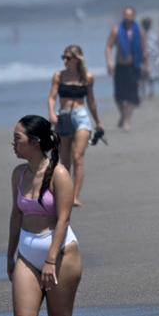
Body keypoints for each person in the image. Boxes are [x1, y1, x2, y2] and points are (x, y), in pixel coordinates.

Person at [0, 115, 82, 316]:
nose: (13, 143)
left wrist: (51, 259)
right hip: (27, 253)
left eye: (18, 138)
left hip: (61, 252)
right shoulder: (18, 174)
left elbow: (64, 218)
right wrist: (11, 254)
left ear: (35, 142)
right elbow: (16, 214)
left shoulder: (59, 175)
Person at [46, 45, 103, 206]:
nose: (65, 61)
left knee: (78, 156)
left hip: (81, 117)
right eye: (63, 57)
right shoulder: (59, 76)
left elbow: (91, 101)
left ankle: (75, 196)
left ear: (77, 59)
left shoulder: (87, 77)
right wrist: (51, 113)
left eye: (68, 58)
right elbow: (52, 97)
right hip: (63, 117)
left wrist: (98, 122)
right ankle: (65, 194)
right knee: (64, 160)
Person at [104, 7, 143, 130]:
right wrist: (109, 63)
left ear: (134, 16)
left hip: (134, 67)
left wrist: (147, 66)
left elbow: (145, 49)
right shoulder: (116, 30)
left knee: (132, 96)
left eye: (129, 15)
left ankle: (127, 120)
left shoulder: (139, 31)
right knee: (119, 96)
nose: (127, 17)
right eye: (125, 15)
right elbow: (109, 47)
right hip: (120, 67)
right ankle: (122, 114)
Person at [139, 18, 159, 100]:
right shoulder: (141, 34)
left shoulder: (152, 34)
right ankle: (145, 92)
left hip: (151, 58)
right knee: (144, 76)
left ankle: (148, 92)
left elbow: (157, 47)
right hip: (144, 57)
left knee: (149, 76)